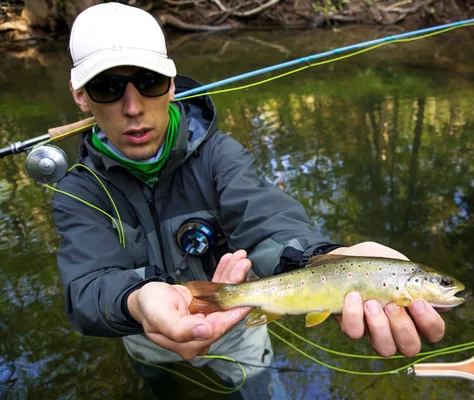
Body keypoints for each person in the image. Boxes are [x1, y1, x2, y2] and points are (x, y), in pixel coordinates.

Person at [52, 2, 447, 399]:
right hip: (144, 336)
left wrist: (322, 257)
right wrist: (136, 302)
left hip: (239, 329)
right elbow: (87, 290)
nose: (133, 107)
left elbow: (268, 220)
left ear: (171, 84)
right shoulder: (77, 192)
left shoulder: (220, 156)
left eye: (149, 82)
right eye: (107, 88)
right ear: (80, 95)